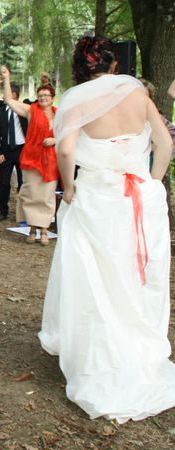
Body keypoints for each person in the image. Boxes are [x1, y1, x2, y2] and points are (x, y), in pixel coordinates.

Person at [39, 35, 175, 423]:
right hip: (140, 198)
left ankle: (98, 355)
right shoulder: (135, 93)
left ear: (80, 68)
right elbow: (165, 142)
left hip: (98, 197)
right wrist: (153, 181)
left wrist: (68, 188)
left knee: (95, 278)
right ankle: (138, 350)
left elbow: (65, 151)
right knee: (135, 276)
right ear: (113, 64)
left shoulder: (74, 99)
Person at [1, 66, 58, 245]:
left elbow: (69, 134)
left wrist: (55, 140)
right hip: (32, 159)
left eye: (46, 96)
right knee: (31, 193)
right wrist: (7, 78)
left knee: (47, 195)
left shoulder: (60, 115)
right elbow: (9, 99)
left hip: (50, 161)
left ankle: (44, 230)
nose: (43, 98)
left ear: (52, 99)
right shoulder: (31, 111)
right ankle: (32, 228)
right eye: (40, 96)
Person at [0, 75, 29, 221]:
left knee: (24, 182)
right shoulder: (1, 112)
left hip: (22, 150)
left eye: (6, 93)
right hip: (6, 152)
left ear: (14, 95)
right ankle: (2, 210)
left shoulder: (24, 110)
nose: (3, 96)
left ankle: (24, 212)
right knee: (4, 183)